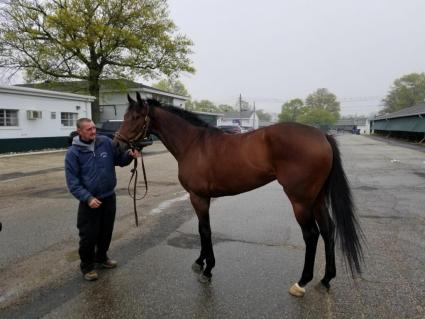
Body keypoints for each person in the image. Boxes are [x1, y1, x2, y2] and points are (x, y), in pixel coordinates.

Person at [65, 118, 140, 281]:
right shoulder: (73, 153)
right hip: (90, 201)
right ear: (79, 132)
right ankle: (87, 266)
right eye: (88, 129)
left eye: (93, 128)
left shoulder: (105, 142)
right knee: (89, 236)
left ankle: (101, 258)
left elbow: (119, 160)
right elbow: (73, 182)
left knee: (106, 232)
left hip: (108, 196)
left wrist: (129, 155)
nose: (93, 131)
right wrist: (88, 198)